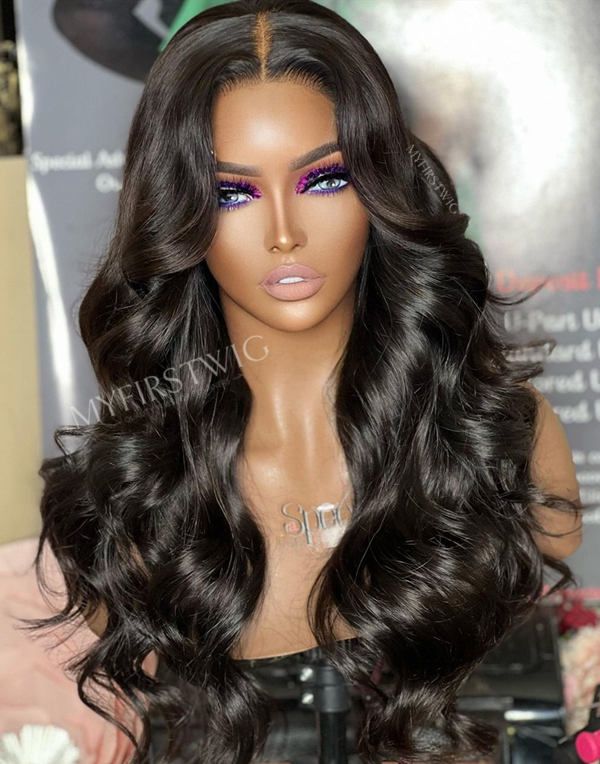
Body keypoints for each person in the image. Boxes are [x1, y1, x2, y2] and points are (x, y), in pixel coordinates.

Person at [21, 1, 585, 762]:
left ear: (379, 185)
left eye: (324, 178)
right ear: (178, 211)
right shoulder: (130, 500)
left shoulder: (501, 435)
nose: (284, 232)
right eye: (233, 193)